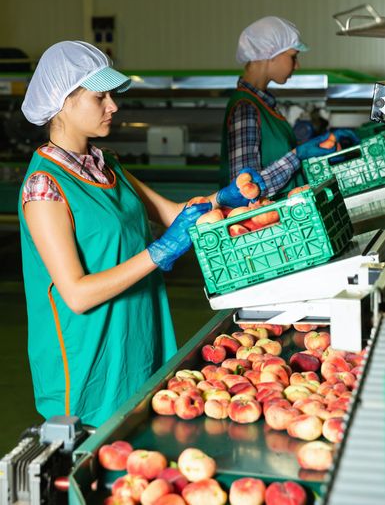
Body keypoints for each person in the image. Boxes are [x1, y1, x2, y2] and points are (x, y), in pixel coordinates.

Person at [19, 41, 263, 428]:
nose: (113, 105)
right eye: (100, 97)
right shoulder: (44, 187)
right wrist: (161, 252)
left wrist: (225, 197)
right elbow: (77, 294)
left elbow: (171, 214)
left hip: (138, 336)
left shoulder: (106, 164)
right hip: (90, 361)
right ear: (64, 102)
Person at [220, 16, 358, 195]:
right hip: (264, 222)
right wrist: (298, 155)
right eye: (293, 56)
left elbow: (274, 156)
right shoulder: (245, 107)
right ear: (270, 53)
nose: (297, 65)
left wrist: (314, 149)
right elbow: (244, 191)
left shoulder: (263, 104)